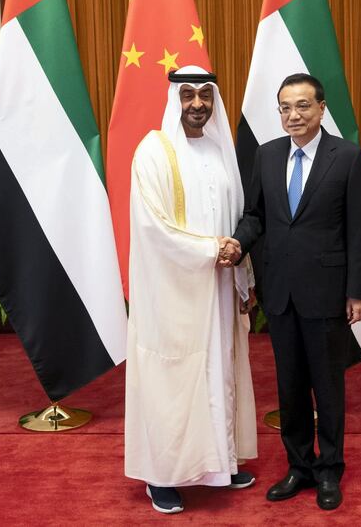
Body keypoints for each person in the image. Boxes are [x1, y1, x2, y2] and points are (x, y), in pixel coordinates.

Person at [221, 73, 361, 511]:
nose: (293, 115)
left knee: (327, 387)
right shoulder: (266, 156)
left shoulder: (347, 157)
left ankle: (330, 471)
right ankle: (299, 467)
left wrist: (356, 291)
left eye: (303, 106)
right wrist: (236, 243)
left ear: (322, 108)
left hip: (327, 291)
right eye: (285, 107)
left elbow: (359, 229)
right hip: (281, 291)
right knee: (289, 388)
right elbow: (256, 215)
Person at [125, 66, 258, 514]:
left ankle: (221, 461)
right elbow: (152, 226)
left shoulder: (223, 151)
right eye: (187, 95)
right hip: (172, 291)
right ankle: (161, 475)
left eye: (204, 95)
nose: (197, 104)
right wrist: (211, 249)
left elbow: (240, 213)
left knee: (221, 369)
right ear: (173, 99)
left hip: (219, 285)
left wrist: (239, 259)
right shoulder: (153, 152)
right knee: (174, 377)